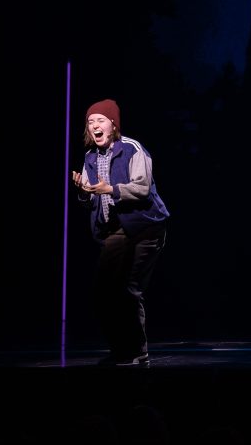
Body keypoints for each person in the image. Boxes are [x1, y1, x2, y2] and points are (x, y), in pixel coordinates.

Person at [71, 99, 169, 367]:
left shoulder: (132, 149)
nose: (94, 126)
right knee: (103, 292)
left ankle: (137, 352)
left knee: (128, 288)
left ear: (113, 124)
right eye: (90, 122)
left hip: (146, 226)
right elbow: (91, 198)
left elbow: (142, 188)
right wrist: (83, 191)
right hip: (116, 229)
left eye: (100, 120)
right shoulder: (91, 157)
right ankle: (121, 350)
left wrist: (110, 189)